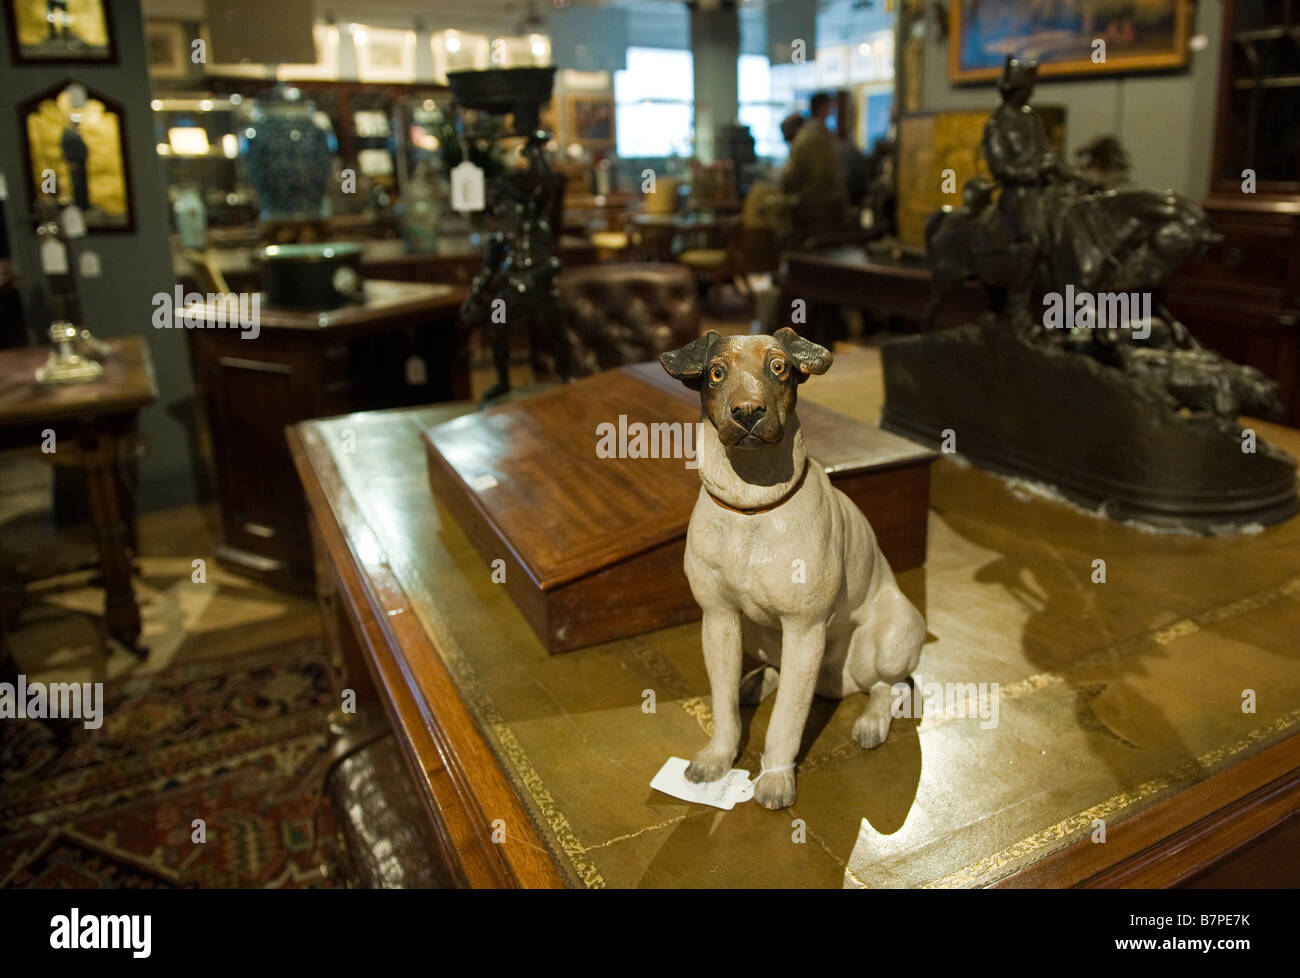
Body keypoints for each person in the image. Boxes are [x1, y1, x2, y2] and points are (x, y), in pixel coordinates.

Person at [780, 92, 847, 227]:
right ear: (824, 108)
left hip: (811, 209)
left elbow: (789, 178)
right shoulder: (827, 137)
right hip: (834, 208)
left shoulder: (805, 138)